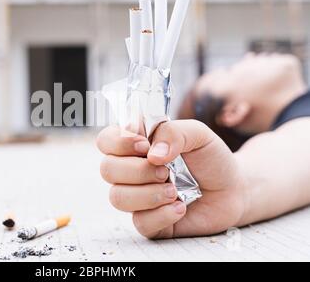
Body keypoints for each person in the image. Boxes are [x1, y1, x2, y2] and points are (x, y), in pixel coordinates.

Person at [96, 53, 310, 239]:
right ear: (233, 111)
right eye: (230, 69)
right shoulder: (299, 124)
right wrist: (239, 187)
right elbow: (295, 150)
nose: (249, 56)